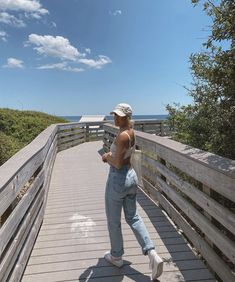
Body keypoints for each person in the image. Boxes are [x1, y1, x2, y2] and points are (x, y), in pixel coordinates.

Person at [102, 103, 163, 280]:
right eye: (114, 114)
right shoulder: (131, 132)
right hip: (131, 177)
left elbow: (118, 162)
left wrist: (106, 157)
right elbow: (125, 157)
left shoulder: (122, 136)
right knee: (133, 217)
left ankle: (116, 256)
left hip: (118, 179)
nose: (115, 118)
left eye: (119, 115)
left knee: (114, 220)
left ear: (127, 117)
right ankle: (151, 252)